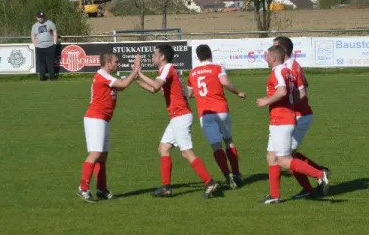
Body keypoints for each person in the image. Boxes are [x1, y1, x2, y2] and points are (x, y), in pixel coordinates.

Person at [136, 44, 219, 198]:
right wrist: (137, 80)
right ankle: (166, 187)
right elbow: (154, 89)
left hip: (180, 115)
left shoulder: (167, 68)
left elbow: (155, 85)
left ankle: (209, 182)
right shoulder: (165, 70)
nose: (153, 57)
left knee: (186, 152)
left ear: (162, 57)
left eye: (155, 54)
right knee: (163, 148)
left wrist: (139, 73)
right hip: (177, 116)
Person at [256, 45, 329, 204]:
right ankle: (275, 195)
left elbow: (282, 91)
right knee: (271, 156)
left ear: (273, 58)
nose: (266, 59)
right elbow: (297, 94)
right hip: (282, 118)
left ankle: (319, 174)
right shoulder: (289, 71)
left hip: (281, 120)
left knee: (283, 159)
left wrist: (266, 101)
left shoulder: (278, 71)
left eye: (267, 56)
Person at [78, 53, 142, 203]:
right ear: (107, 63)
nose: (118, 64)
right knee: (95, 153)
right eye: (116, 62)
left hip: (103, 119)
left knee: (103, 156)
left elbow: (121, 86)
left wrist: (133, 75)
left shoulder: (107, 76)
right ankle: (83, 188)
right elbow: (123, 84)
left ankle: (101, 189)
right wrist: (135, 70)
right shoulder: (102, 75)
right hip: (95, 118)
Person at [273, 36, 330, 199]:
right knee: (288, 154)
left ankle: (319, 173)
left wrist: (286, 104)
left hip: (299, 116)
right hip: (297, 115)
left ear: (283, 50)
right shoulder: (291, 66)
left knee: (285, 155)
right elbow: (305, 83)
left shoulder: (290, 67)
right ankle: (309, 188)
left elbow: (302, 92)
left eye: (275, 48)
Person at [187, 44, 246, 189]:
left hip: (205, 113)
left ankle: (227, 175)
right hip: (221, 110)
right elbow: (225, 82)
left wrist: (201, 94)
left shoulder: (192, 73)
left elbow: (189, 94)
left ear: (198, 57)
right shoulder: (217, 67)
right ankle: (237, 173)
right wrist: (238, 92)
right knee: (229, 140)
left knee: (215, 146)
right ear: (210, 55)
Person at [31, 11, 57, 81]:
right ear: (36, 18)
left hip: (50, 46)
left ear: (44, 17)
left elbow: (54, 31)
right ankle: (42, 77)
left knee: (50, 62)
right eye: (39, 17)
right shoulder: (34, 26)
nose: (41, 18)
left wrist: (54, 42)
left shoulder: (49, 23)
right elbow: (33, 36)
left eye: (42, 17)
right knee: (41, 63)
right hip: (40, 47)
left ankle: (52, 77)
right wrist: (35, 45)